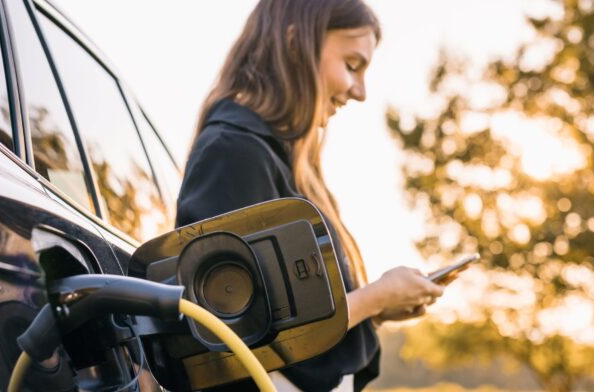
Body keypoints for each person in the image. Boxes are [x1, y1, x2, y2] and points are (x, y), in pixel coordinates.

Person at [176, 0, 445, 390]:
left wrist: (379, 309)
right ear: (294, 44)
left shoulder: (288, 164)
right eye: (352, 65)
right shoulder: (233, 152)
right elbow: (232, 335)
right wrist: (374, 298)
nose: (361, 91)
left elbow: (293, 314)